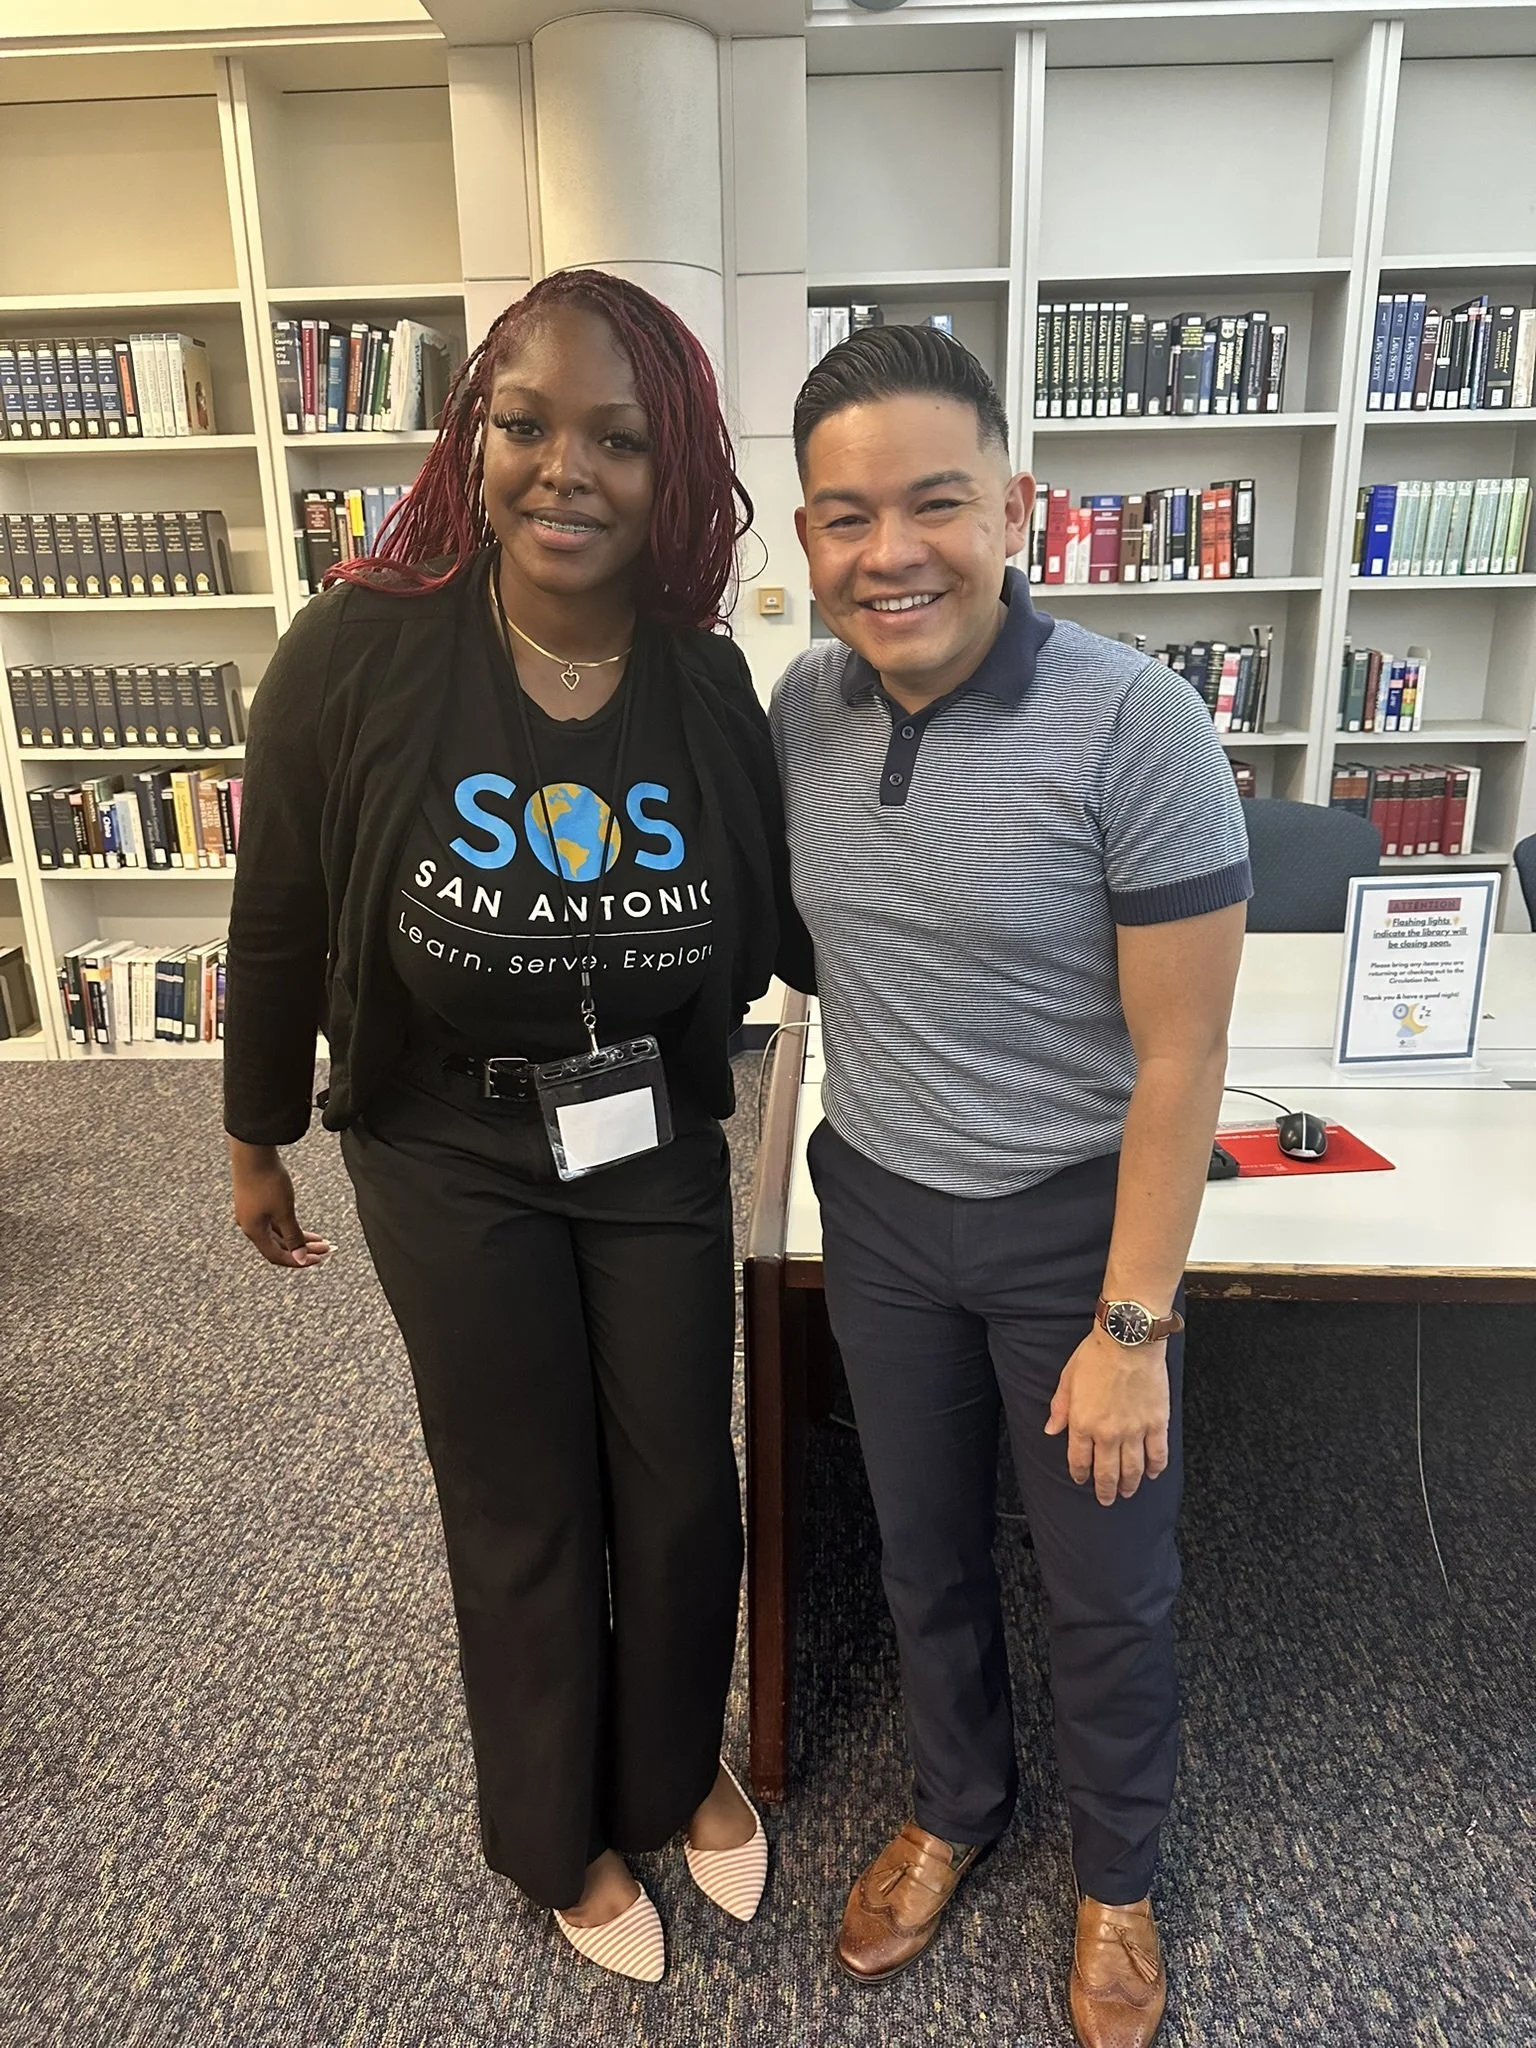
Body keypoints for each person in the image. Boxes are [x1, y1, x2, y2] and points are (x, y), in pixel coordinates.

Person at [224, 269, 808, 1984]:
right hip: (447, 1145)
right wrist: (256, 1130)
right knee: (522, 1496)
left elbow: (780, 919)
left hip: (647, 1134)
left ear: (671, 466)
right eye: (527, 425)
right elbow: (279, 912)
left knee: (682, 1484)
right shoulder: (357, 651)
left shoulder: (704, 683)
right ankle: (554, 1831)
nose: (567, 470)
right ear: (472, 440)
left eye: (617, 440)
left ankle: (669, 1766)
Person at [771, 325, 1249, 2047]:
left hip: (1074, 1230)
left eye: (935, 504)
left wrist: (1132, 1325)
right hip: (883, 1209)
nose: (890, 552)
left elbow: (1184, 1061)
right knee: (918, 1551)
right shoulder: (801, 708)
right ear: (807, 538)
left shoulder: (1134, 724)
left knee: (1107, 1584)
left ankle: (1118, 1878)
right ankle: (956, 1807)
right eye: (847, 518)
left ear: (1016, 509)